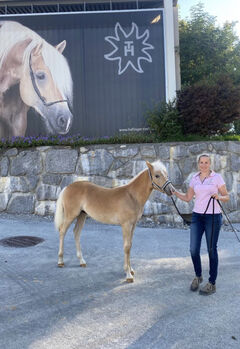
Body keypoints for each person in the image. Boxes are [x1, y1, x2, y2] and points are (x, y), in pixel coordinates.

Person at [172, 154, 229, 295]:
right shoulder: (195, 178)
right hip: (197, 216)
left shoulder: (217, 178)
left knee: (211, 249)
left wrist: (219, 197)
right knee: (193, 249)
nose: (203, 165)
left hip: (213, 217)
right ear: (198, 164)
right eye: (201, 162)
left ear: (210, 164)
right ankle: (198, 276)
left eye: (206, 162)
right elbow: (187, 198)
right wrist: (174, 193)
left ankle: (212, 283)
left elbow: (226, 197)